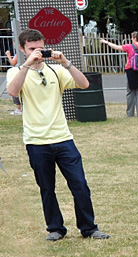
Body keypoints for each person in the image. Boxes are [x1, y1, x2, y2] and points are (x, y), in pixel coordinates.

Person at [5, 29, 109, 240]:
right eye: (32, 49)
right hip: (36, 141)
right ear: (22, 49)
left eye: (40, 48)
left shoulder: (55, 70)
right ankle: (55, 228)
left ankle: (89, 227)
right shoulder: (16, 71)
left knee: (79, 183)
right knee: (47, 188)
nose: (37, 52)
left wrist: (65, 62)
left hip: (63, 138)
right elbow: (13, 92)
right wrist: (27, 65)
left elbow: (84, 84)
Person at [100, 32, 138, 117]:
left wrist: (106, 42)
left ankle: (130, 113)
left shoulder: (129, 47)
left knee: (130, 92)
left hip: (130, 71)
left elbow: (116, 47)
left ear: (135, 38)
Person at [5, 49, 22, 114]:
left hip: (17, 72)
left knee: (16, 90)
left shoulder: (19, 54)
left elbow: (13, 63)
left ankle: (18, 109)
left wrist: (8, 55)